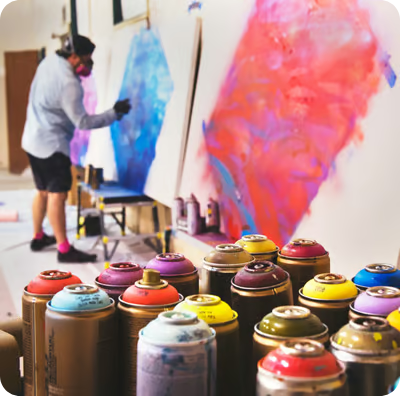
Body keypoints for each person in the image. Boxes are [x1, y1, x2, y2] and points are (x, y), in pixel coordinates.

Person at [21, 34, 131, 263]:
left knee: (41, 190)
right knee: (57, 195)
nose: (88, 65)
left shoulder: (48, 62)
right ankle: (64, 249)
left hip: (32, 138)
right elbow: (83, 122)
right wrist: (114, 113)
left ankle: (38, 236)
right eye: (86, 59)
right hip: (51, 145)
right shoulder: (70, 84)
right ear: (73, 57)